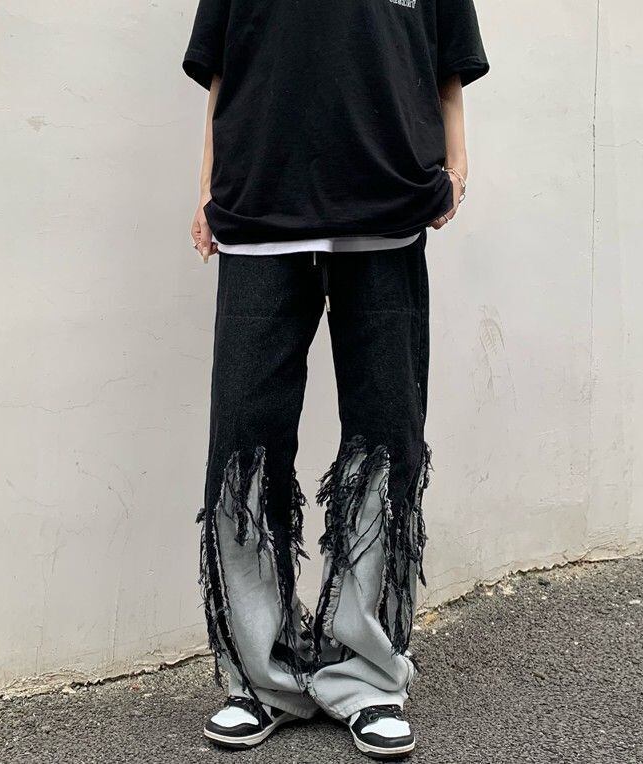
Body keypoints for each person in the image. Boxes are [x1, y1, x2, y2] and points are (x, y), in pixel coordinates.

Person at [182, 0, 488, 758]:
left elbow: (447, 60)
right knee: (245, 446)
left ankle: (369, 677)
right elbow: (222, 68)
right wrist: (207, 186)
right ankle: (261, 678)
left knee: (385, 443)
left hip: (387, 210)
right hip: (260, 207)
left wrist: (456, 166)